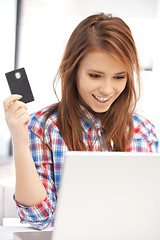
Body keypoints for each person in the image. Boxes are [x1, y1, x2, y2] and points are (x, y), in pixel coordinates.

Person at [3, 13, 159, 230]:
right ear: (73, 70)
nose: (106, 89)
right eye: (95, 76)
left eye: (119, 77)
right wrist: (20, 143)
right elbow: (38, 217)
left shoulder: (144, 132)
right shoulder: (44, 127)